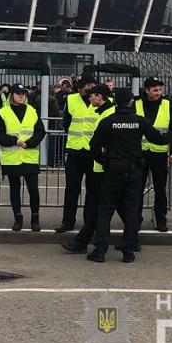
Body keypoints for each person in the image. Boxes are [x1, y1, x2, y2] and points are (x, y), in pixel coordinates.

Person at [85, 89, 172, 263]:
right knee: (131, 210)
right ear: (131, 102)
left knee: (105, 210)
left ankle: (100, 250)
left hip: (113, 169)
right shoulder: (139, 121)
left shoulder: (108, 122)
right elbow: (157, 139)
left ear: (116, 102)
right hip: (133, 170)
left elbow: (93, 146)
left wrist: (105, 163)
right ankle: (128, 251)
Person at [60, 84, 115, 251]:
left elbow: (101, 140)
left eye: (93, 95)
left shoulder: (107, 114)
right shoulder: (104, 111)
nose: (90, 98)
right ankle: (89, 242)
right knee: (101, 204)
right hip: (91, 157)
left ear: (100, 97)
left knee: (103, 204)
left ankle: (95, 243)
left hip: (103, 164)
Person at [0, 84, 45, 231]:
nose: (21, 95)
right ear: (12, 95)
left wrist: (30, 143)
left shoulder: (32, 111)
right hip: (12, 158)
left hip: (29, 157)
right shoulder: (3, 112)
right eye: (17, 93)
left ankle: (35, 219)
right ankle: (18, 218)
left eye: (23, 93)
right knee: (14, 189)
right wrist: (15, 141)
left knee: (33, 189)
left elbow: (40, 132)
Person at [134, 77, 172, 232]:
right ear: (146, 90)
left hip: (159, 152)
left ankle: (161, 219)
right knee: (137, 188)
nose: (158, 93)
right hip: (140, 152)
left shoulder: (167, 105)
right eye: (155, 90)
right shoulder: (136, 104)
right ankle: (136, 219)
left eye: (160, 90)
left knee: (160, 189)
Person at [56, 75, 98, 233]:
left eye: (89, 85)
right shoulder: (71, 100)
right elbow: (66, 123)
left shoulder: (101, 101)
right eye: (83, 86)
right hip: (74, 151)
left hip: (93, 152)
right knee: (72, 188)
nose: (86, 89)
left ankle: (89, 223)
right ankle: (67, 222)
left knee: (92, 190)